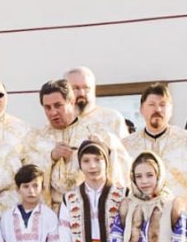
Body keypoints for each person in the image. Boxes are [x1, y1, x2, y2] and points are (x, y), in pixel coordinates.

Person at [26, 79, 130, 207]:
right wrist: (51, 156)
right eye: (47, 107)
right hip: (53, 209)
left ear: (71, 101)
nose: (53, 112)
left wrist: (104, 150)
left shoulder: (97, 131)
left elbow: (121, 167)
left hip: (91, 206)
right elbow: (26, 175)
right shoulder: (36, 138)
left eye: (58, 105)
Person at [121, 83, 187, 199]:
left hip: (181, 208)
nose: (157, 109)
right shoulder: (127, 145)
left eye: (163, 105)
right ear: (141, 109)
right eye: (151, 105)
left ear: (171, 110)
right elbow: (120, 184)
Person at [65, 67, 127, 142]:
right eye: (75, 88)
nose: (81, 93)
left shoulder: (112, 118)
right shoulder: (56, 121)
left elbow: (124, 148)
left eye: (86, 88)